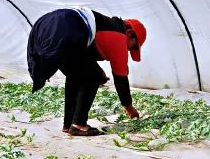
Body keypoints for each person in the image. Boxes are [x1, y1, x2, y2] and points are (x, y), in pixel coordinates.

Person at [27, 8, 146, 136]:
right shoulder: (119, 36)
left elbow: (82, 64)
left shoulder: (105, 25)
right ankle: (79, 124)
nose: (128, 50)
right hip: (66, 27)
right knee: (94, 75)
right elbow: (120, 78)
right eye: (133, 46)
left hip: (44, 24)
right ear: (130, 33)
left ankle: (69, 124)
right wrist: (129, 107)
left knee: (76, 74)